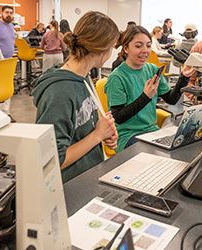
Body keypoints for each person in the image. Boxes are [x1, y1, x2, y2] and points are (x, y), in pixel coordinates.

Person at [32, 11, 119, 183]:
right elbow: (52, 160)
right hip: (70, 186)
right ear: (102, 50)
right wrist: (97, 136)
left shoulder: (83, 78)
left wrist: (103, 132)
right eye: (111, 48)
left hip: (88, 176)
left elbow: (82, 130)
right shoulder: (60, 91)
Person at [105, 26, 195, 152]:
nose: (145, 51)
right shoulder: (117, 77)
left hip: (151, 131)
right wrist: (145, 97)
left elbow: (171, 99)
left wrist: (183, 77)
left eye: (148, 45)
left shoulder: (152, 69)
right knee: (159, 155)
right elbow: (118, 117)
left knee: (183, 147)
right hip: (128, 135)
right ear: (126, 48)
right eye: (138, 46)